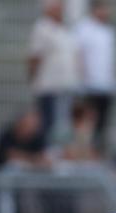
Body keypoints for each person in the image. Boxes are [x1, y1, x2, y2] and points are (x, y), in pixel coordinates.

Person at [28, 0, 78, 145]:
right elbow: (34, 57)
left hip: (66, 87)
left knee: (64, 125)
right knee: (49, 125)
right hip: (48, 87)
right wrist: (34, 81)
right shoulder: (41, 28)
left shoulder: (64, 29)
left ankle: (60, 154)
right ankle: (48, 154)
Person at [75, 0, 115, 154]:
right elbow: (79, 56)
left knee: (101, 126)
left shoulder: (108, 30)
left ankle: (97, 154)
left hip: (105, 87)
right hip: (89, 87)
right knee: (87, 125)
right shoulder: (84, 29)